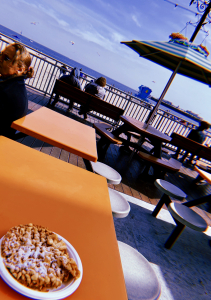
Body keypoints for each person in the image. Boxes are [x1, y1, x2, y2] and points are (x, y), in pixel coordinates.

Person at [0, 42, 34, 139]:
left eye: (6, 58)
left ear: (19, 69)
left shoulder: (7, 92)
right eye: (1, 54)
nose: (0, 59)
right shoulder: (15, 86)